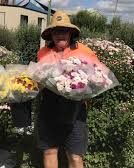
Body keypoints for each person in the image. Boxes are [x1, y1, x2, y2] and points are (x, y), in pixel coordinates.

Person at [36, 11, 102, 168]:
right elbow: (39, 80)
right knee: (49, 151)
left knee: (75, 156)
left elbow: (98, 78)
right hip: (48, 108)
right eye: (56, 31)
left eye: (64, 30)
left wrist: (85, 94)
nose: (60, 34)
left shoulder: (84, 51)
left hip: (75, 109)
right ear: (51, 34)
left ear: (71, 33)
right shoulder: (43, 52)